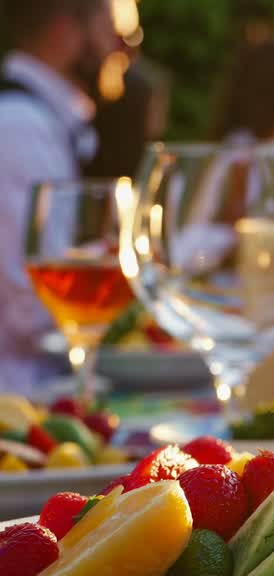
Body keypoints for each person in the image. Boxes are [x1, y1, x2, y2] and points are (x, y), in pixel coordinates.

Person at [0, 0, 119, 394]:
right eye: (111, 28)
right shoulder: (18, 127)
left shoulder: (42, 122)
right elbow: (28, 309)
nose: (121, 46)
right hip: (21, 396)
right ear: (64, 32)